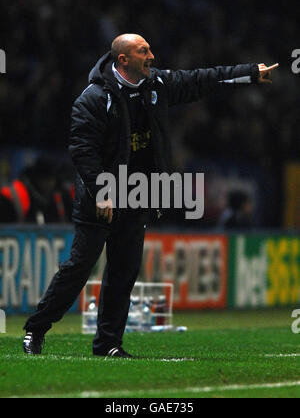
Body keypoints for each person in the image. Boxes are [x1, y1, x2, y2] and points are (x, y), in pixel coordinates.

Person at [23, 34, 278, 357]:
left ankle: (108, 344)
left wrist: (250, 73)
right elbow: (83, 151)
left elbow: (201, 80)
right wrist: (103, 193)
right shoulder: (92, 99)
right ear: (123, 60)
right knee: (78, 268)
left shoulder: (157, 85)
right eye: (143, 51)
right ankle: (36, 329)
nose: (152, 56)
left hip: (138, 196)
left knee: (123, 273)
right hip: (101, 199)